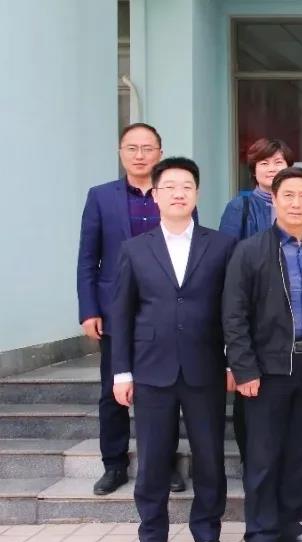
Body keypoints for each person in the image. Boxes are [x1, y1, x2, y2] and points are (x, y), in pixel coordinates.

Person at [110, 157, 235, 542]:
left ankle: (207, 535)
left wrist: (232, 363)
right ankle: (152, 539)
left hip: (205, 367)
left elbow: (231, 311)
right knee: (152, 459)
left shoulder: (221, 245)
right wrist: (122, 371)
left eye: (186, 187)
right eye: (170, 187)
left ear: (197, 194)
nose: (178, 194)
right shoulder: (134, 249)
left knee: (209, 456)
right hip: (151, 369)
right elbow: (121, 315)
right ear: (156, 195)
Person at [223, 167, 302, 542]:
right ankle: (260, 535)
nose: (296, 203)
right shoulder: (250, 251)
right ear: (273, 200)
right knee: (262, 456)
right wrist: (243, 368)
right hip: (266, 370)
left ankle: (290, 527)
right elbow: (233, 315)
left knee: (300, 453)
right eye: (288, 195)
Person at [76, 122, 184, 496]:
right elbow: (87, 259)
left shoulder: (173, 193)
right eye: (132, 148)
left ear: (160, 153)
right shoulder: (100, 197)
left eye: (147, 148)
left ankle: (165, 463)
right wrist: (89, 309)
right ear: (121, 152)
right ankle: (115, 464)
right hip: (115, 312)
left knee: (166, 390)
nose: (140, 155)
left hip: (163, 311)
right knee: (113, 390)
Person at [217, 138, 296, 466]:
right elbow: (225, 260)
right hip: (252, 308)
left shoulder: (298, 204)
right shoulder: (241, 206)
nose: (272, 168)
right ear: (254, 169)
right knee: (250, 393)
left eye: (278, 162)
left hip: (289, 313)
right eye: (264, 163)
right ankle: (252, 460)